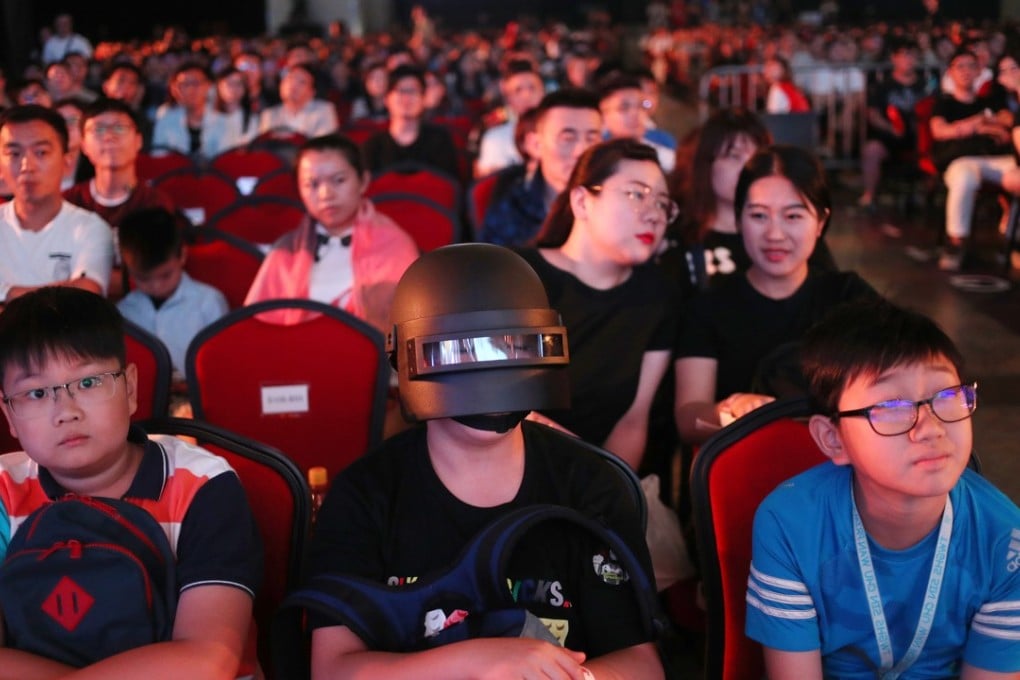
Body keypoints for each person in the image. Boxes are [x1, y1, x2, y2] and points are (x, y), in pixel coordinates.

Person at [305, 243, 664, 679]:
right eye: (461, 352)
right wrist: (482, 660)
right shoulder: (366, 495)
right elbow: (332, 668)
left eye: (513, 346)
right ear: (407, 359)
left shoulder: (590, 484)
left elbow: (641, 664)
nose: (490, 371)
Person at [746, 298, 1020, 677]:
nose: (931, 428)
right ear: (833, 439)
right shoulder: (789, 524)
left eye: (947, 395)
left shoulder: (1006, 540)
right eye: (892, 406)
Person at [0, 286, 262, 678]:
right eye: (37, 392)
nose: (66, 411)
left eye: (88, 383)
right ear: (9, 415)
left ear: (130, 388)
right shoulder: (5, 492)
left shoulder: (202, 487)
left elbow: (208, 659)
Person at [673, 145, 877, 445]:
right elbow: (689, 419)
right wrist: (729, 410)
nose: (775, 234)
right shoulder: (707, 309)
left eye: (793, 216)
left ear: (821, 222)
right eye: (758, 216)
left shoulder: (849, 298)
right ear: (739, 219)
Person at [521, 139, 677, 471]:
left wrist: (611, 488)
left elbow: (633, 419)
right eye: (636, 194)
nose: (654, 214)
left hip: (600, 481)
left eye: (663, 204)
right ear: (582, 201)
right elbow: (496, 405)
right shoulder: (517, 276)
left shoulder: (657, 294)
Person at [244, 133, 419, 332]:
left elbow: (410, 330)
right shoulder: (285, 250)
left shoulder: (393, 243)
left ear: (363, 181)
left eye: (338, 180)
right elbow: (255, 330)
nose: (326, 194)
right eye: (312, 184)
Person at [0, 105, 113, 305]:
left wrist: (5, 293)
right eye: (14, 154)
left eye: (41, 152)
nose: (27, 166)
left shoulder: (91, 228)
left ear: (66, 161)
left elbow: (85, 296)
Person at [479, 88, 603, 247]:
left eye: (592, 139)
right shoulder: (513, 206)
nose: (581, 151)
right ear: (536, 145)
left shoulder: (615, 203)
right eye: (568, 138)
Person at [929, 46, 1015, 271]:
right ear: (951, 71)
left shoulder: (991, 101)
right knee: (964, 179)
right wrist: (980, 123)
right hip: (960, 159)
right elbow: (940, 131)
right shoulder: (944, 103)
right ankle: (956, 243)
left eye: (971, 66)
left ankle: (1013, 236)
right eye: (960, 66)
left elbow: (1006, 128)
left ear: (979, 71)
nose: (966, 71)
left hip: (994, 159)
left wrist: (975, 125)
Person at [117, 208, 227, 379]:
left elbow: (222, 364)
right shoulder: (122, 313)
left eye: (166, 275)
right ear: (127, 268)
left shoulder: (209, 303)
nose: (156, 286)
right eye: (143, 278)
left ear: (182, 255)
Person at [65, 98, 175, 233]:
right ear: (84, 145)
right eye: (99, 129)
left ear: (138, 141)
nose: (109, 136)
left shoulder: (155, 204)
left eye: (119, 128)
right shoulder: (68, 204)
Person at [859, 37, 934, 209]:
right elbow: (873, 114)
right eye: (904, 55)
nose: (909, 59)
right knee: (871, 150)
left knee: (935, 149)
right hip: (890, 136)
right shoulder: (882, 86)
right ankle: (869, 195)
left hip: (920, 136)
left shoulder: (926, 86)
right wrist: (891, 128)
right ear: (894, 58)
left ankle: (927, 197)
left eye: (913, 55)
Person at [361, 64, 460, 179]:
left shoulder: (441, 140)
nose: (406, 98)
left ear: (424, 98)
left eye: (413, 91)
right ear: (386, 99)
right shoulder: (372, 146)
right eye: (400, 90)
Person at [474, 60, 545, 177]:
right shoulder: (495, 137)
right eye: (518, 90)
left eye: (532, 88)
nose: (526, 95)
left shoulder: (559, 131)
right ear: (508, 98)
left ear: (543, 92)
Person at [152, 61, 237, 159]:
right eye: (184, 84)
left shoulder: (224, 121)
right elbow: (158, 156)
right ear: (176, 89)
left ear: (208, 86)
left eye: (195, 83)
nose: (190, 89)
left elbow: (228, 160)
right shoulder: (166, 120)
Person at [597, 72, 675, 172]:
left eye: (640, 106)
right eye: (624, 107)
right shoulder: (595, 158)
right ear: (603, 113)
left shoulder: (665, 159)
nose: (635, 114)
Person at [258, 63, 339, 139]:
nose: (294, 85)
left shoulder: (324, 110)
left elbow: (323, 144)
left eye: (302, 82)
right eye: (290, 79)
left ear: (312, 92)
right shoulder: (269, 114)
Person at [214, 66, 259, 148]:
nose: (234, 88)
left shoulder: (251, 118)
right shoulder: (209, 116)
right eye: (230, 83)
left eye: (239, 84)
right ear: (219, 86)